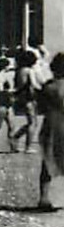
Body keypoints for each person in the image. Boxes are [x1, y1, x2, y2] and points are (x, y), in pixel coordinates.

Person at [40, 54, 64, 210]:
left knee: (47, 163)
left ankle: (44, 198)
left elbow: (41, 107)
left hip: (50, 125)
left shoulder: (48, 86)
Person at [15, 50, 43, 154]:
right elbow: (34, 84)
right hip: (29, 98)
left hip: (22, 97)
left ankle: (16, 136)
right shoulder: (29, 71)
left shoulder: (20, 70)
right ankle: (28, 146)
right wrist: (43, 89)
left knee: (31, 122)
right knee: (33, 122)